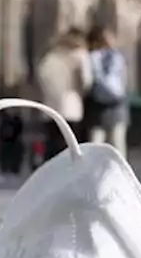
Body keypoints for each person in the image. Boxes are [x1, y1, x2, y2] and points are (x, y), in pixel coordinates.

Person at [36, 27, 93, 160]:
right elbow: (86, 80)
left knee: (52, 146)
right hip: (71, 105)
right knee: (70, 146)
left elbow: (41, 79)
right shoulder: (80, 55)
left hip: (50, 107)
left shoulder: (50, 57)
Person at [85, 26, 130, 156]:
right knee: (117, 144)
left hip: (97, 104)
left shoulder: (91, 57)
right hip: (117, 104)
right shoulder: (118, 58)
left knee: (95, 142)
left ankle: (94, 173)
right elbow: (124, 81)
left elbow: (87, 81)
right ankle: (119, 173)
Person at [0, 106, 25, 183]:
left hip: (11, 142)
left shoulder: (9, 121)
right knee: (6, 156)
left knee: (10, 156)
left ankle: (11, 171)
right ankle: (7, 171)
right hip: (8, 142)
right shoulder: (6, 120)